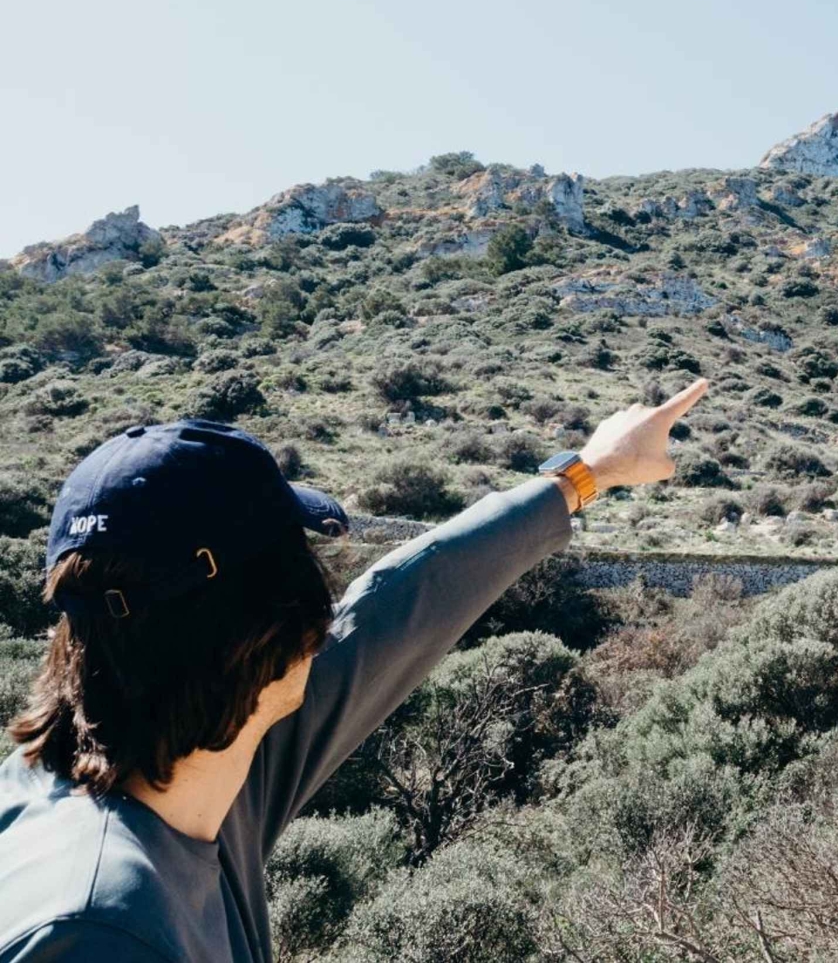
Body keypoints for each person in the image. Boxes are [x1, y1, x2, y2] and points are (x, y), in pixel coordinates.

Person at [0, 379, 708, 962]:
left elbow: (402, 607)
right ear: (275, 622)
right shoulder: (100, 930)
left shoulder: (195, 760)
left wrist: (589, 471)